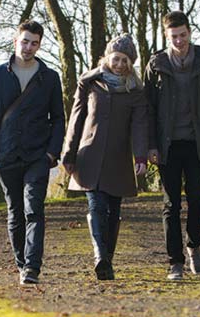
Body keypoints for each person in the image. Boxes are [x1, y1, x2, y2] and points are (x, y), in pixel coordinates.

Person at [0, 20, 65, 286]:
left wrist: (52, 153)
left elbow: (58, 118)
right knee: (15, 211)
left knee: (34, 209)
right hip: (5, 155)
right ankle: (21, 263)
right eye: (25, 41)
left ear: (39, 46)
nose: (28, 47)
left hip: (38, 155)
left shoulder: (49, 78)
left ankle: (32, 267)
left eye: (34, 43)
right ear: (15, 41)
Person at [145, 11, 200, 281]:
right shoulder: (156, 64)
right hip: (166, 145)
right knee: (171, 204)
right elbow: (148, 108)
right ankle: (175, 262)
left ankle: (194, 246)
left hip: (197, 143)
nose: (178, 41)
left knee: (197, 198)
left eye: (182, 35)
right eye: (173, 37)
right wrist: (151, 145)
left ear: (189, 32)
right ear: (166, 36)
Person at [62, 34, 148, 280]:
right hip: (89, 156)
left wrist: (140, 157)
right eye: (116, 58)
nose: (119, 64)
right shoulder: (89, 83)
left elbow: (140, 126)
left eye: (125, 61)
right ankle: (99, 255)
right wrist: (68, 153)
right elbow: (76, 119)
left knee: (113, 211)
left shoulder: (136, 92)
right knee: (96, 206)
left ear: (131, 63)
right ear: (107, 57)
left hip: (118, 160)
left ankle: (107, 260)